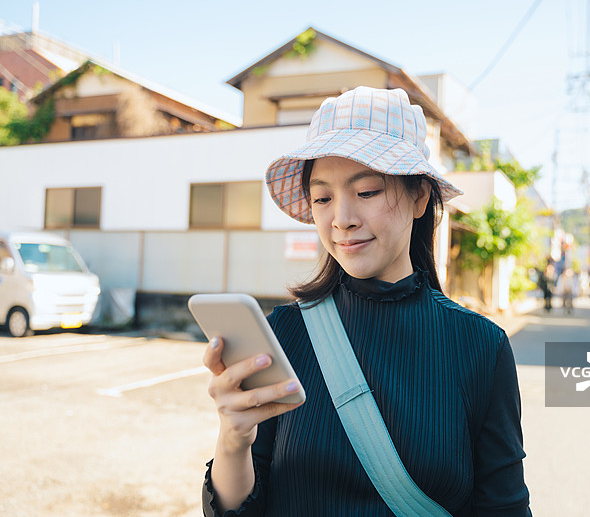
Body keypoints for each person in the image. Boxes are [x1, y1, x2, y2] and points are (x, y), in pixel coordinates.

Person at [201, 86, 532, 516]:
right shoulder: (283, 333)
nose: (342, 218)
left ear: (419, 197)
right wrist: (232, 439)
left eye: (367, 191)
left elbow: (503, 507)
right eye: (321, 198)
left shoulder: (480, 346)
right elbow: (239, 507)